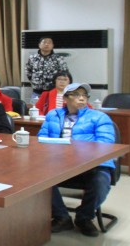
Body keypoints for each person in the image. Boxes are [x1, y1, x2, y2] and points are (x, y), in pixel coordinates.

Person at [39, 83, 116, 237]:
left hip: (90, 166)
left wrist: (76, 152)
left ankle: (84, 218)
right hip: (57, 164)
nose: (81, 98)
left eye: (84, 95)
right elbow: (41, 139)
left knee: (100, 181)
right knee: (36, 177)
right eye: (76, 95)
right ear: (65, 98)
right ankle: (62, 217)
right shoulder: (53, 115)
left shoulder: (99, 117)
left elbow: (105, 144)